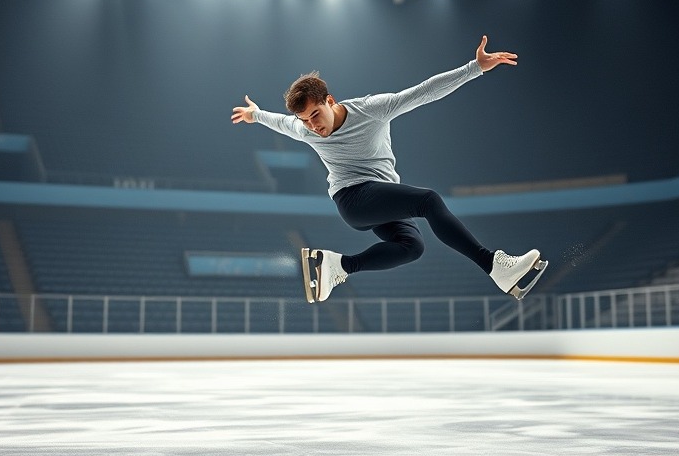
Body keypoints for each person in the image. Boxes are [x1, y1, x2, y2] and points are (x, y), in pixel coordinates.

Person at [231, 35, 546, 303]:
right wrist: (255, 114)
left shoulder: (371, 109)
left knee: (412, 247)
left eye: (315, 115)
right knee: (429, 201)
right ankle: (495, 266)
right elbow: (279, 122)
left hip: (380, 198)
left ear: (330, 100)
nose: (313, 126)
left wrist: (474, 68)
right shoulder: (303, 128)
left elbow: (423, 92)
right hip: (352, 199)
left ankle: (337, 267)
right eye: (305, 121)